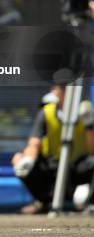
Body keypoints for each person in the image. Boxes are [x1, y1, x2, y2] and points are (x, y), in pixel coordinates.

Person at [12, 84, 94, 214]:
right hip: (53, 169)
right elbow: (34, 143)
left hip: (77, 169)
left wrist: (89, 126)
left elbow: (91, 149)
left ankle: (90, 203)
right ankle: (43, 202)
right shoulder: (46, 113)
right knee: (19, 159)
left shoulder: (84, 111)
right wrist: (27, 159)